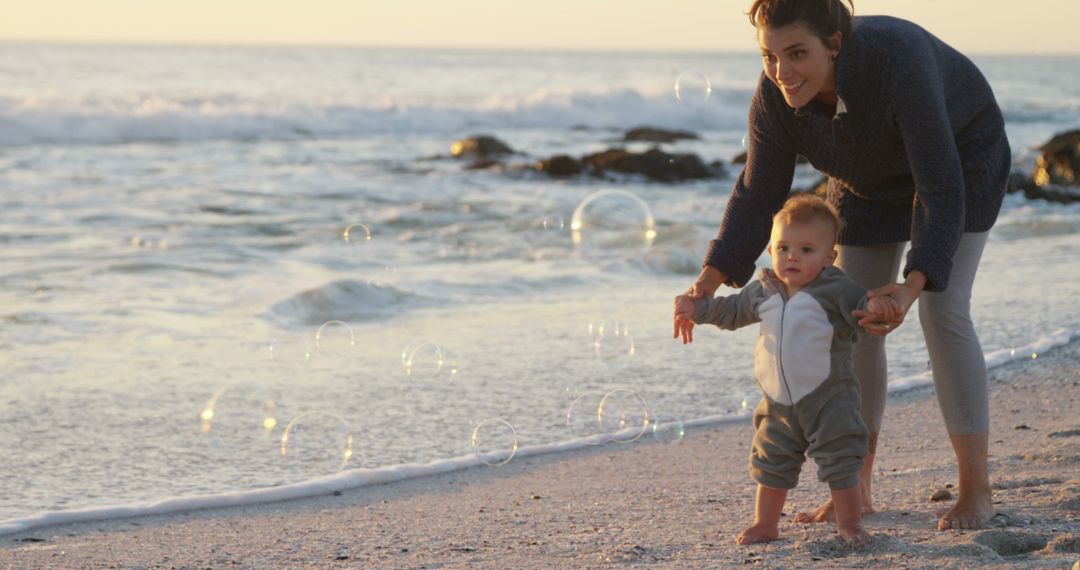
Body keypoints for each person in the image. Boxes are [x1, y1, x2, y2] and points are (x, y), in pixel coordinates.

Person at [681, 0, 1011, 530]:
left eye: (796, 54)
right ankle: (856, 487)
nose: (781, 72)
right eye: (768, 55)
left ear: (834, 44)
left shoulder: (894, 62)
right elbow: (756, 192)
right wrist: (706, 281)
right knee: (853, 323)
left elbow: (938, 187)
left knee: (942, 312)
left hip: (960, 160)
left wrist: (911, 285)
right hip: (865, 182)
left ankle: (976, 489)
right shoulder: (775, 97)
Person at [674, 194, 898, 546]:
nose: (792, 256)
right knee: (771, 462)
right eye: (783, 247)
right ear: (771, 250)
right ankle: (766, 523)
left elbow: (863, 305)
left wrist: (878, 306)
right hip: (777, 402)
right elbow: (729, 312)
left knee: (841, 461)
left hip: (830, 399)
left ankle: (850, 522)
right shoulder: (763, 290)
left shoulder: (836, 289)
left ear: (829, 258)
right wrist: (697, 309)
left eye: (807, 250)